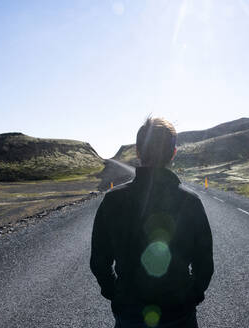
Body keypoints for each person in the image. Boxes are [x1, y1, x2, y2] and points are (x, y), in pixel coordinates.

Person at [90, 117, 214, 328]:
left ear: (138, 152)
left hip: (129, 314)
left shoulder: (113, 200)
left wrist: (116, 293)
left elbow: (99, 261)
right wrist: (191, 296)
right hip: (179, 314)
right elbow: (205, 264)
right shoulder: (190, 202)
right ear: (173, 154)